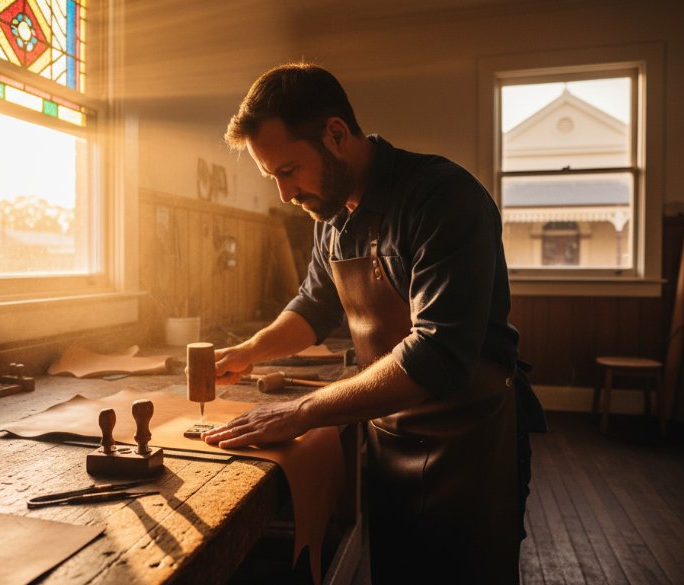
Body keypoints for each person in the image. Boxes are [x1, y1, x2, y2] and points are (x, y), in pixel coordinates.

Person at [203, 62, 547, 584]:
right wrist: (249, 351)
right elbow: (313, 307)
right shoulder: (332, 214)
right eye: (272, 177)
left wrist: (302, 410)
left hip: (470, 443)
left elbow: (437, 355)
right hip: (390, 432)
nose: (284, 194)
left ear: (336, 134)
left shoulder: (443, 198)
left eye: (289, 170)